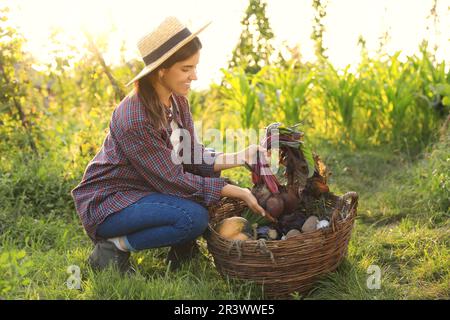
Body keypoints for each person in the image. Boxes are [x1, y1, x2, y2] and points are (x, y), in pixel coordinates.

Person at [71, 17, 270, 273]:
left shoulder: (177, 101)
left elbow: (192, 155)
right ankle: (114, 247)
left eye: (195, 67)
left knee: (205, 183)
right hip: (112, 202)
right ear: (162, 69)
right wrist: (236, 191)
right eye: (186, 69)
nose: (194, 76)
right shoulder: (135, 118)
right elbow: (173, 179)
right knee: (194, 217)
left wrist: (241, 156)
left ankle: (182, 248)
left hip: (146, 191)